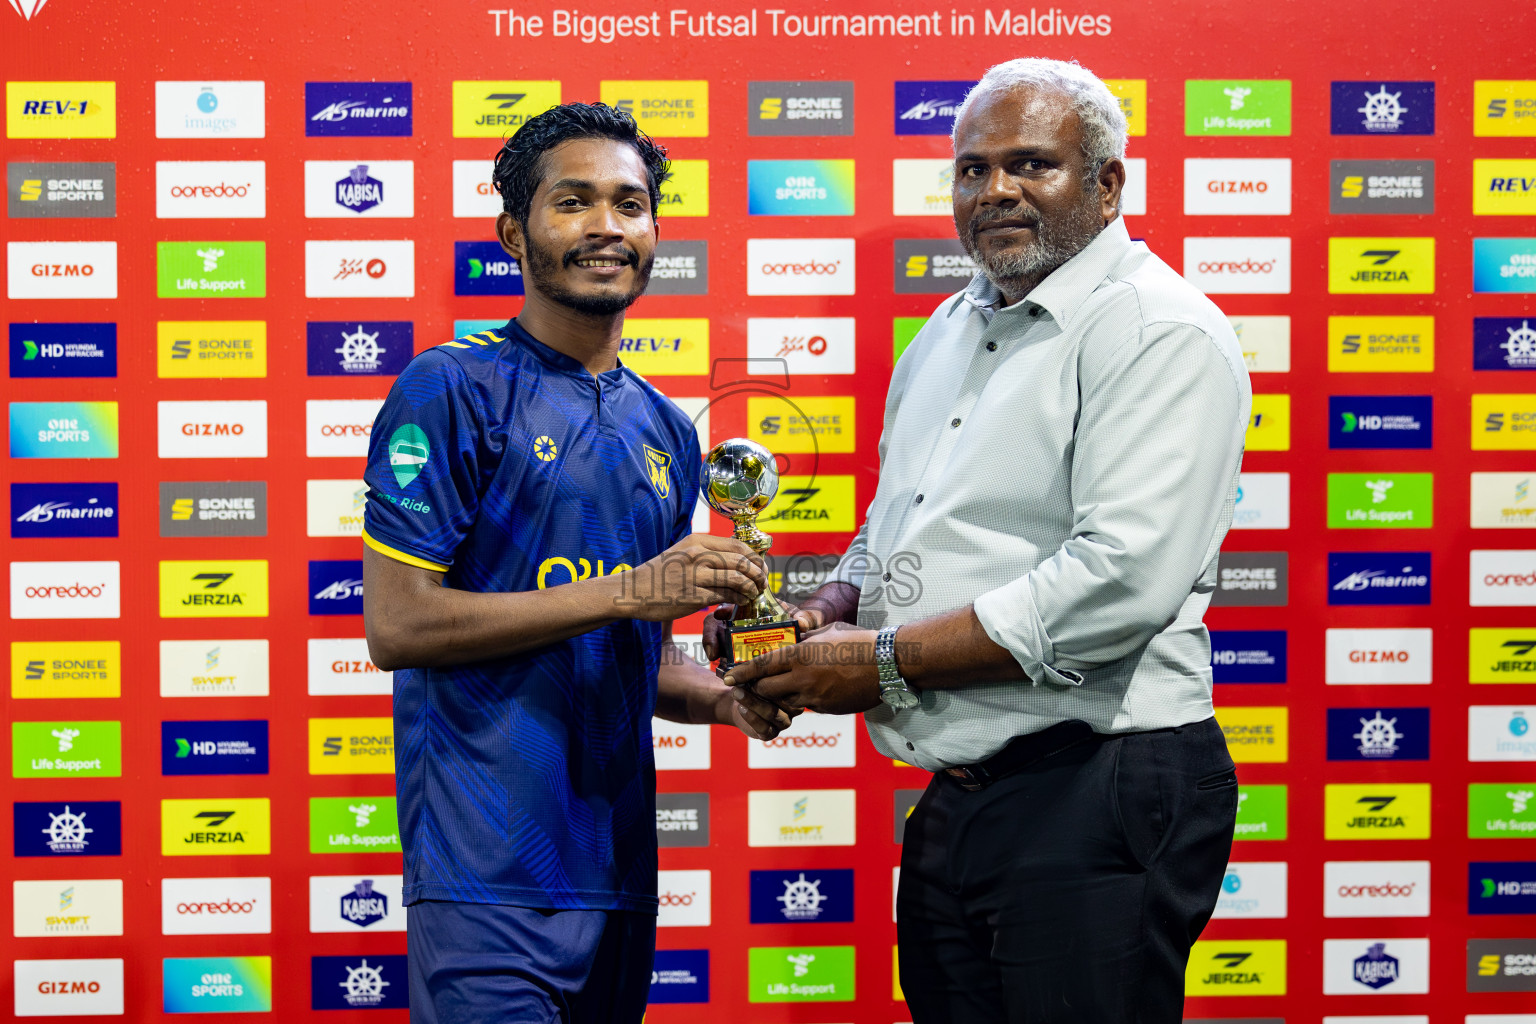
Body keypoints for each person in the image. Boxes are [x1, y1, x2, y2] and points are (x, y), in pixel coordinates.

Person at [714, 58, 1252, 1022]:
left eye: (1032, 164)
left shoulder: (1159, 331)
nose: (995, 189)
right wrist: (821, 609)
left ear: (1107, 183)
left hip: (1098, 784)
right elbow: (896, 530)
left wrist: (879, 661)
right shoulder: (949, 330)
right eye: (973, 168)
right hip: (962, 794)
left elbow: (1120, 582)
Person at [361, 102, 788, 1024]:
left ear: (655, 232)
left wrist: (723, 698)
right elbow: (399, 625)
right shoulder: (452, 387)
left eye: (630, 205)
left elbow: (633, 649)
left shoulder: (668, 429)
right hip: (487, 879)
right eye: (575, 203)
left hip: (621, 876)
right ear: (515, 231)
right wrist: (636, 589)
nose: (606, 227)